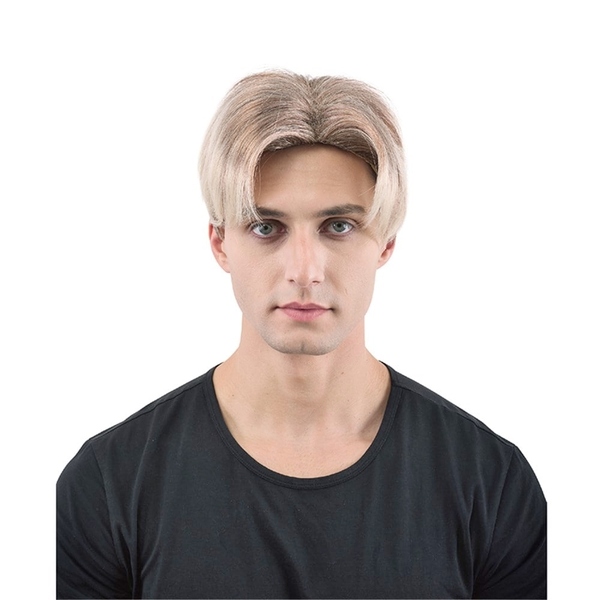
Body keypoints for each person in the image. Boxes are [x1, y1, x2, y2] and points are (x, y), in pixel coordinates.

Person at [56, 71, 547, 599]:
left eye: (339, 226)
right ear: (220, 243)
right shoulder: (108, 484)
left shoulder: (492, 484)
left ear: (385, 242)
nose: (305, 270)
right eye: (266, 227)